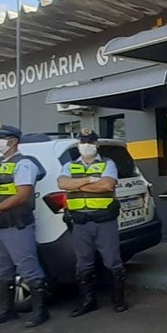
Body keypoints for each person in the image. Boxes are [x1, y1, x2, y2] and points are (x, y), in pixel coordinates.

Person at [0, 125, 49, 328]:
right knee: (1, 270)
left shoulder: (24, 164)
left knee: (27, 267)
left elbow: (23, 194)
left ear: (13, 141)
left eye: (1, 139)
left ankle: (40, 311)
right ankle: (7, 310)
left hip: (16, 224)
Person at [58, 129, 127, 316]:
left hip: (103, 220)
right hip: (80, 222)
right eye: (82, 141)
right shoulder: (70, 165)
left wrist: (77, 184)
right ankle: (88, 302)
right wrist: (89, 179)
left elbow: (107, 185)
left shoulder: (108, 163)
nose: (86, 145)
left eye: (89, 141)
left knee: (112, 261)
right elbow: (62, 184)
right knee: (83, 264)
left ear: (96, 145)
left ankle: (118, 300)